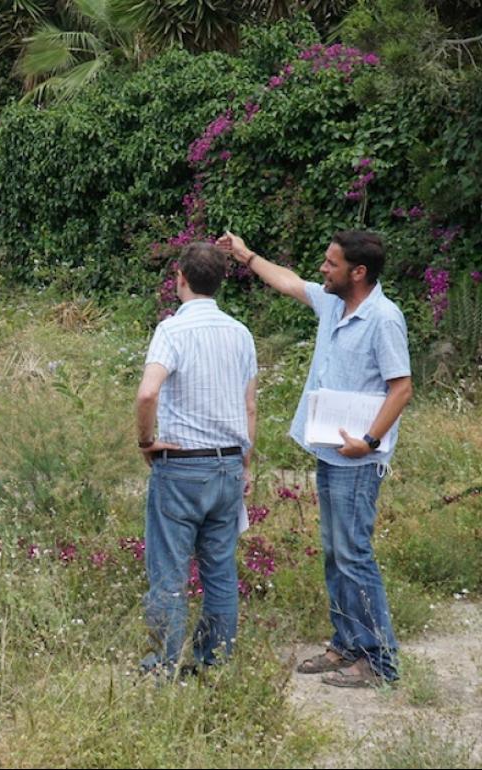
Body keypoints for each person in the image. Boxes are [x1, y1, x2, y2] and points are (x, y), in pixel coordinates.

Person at [219, 229, 412, 688]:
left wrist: (368, 440)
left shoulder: (384, 319)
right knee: (336, 554)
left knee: (354, 554)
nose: (322, 270)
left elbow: (401, 388)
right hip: (330, 452)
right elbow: (287, 281)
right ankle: (347, 644)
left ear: (358, 272)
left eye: (331, 263)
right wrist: (247, 256)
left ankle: (378, 662)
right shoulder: (332, 303)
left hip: (357, 462)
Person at [135, 242, 257, 677]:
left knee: (169, 574)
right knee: (220, 571)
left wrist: (146, 440)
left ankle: (161, 666)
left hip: (182, 465)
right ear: (220, 281)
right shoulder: (240, 333)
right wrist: (243, 464)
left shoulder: (172, 331)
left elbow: (148, 391)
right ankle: (212, 664)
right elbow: (249, 407)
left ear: (180, 278)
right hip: (227, 464)